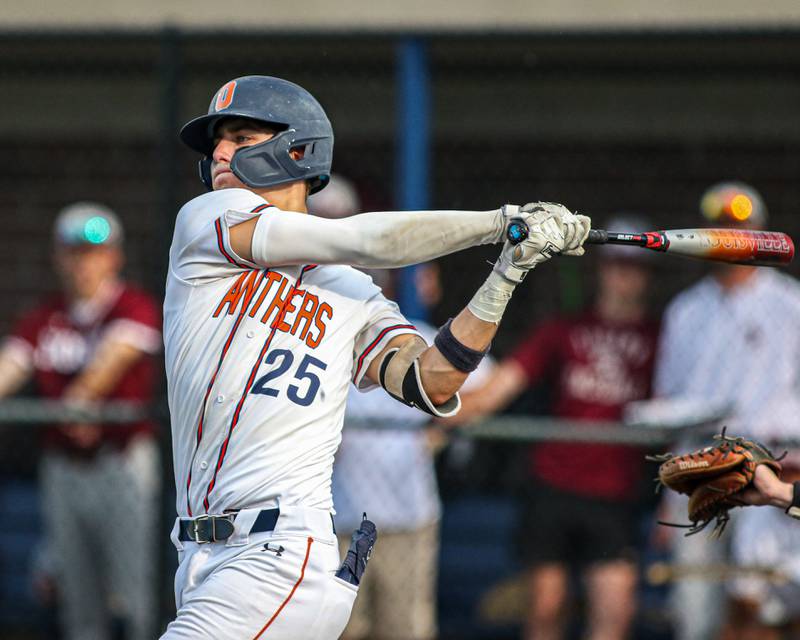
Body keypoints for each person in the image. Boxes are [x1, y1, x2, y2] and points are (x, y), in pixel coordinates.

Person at [160, 75, 591, 640]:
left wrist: (507, 271)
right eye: (217, 141)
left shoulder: (354, 295)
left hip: (278, 554)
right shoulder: (205, 225)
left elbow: (433, 381)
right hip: (199, 557)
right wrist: (498, 224)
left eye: (240, 137)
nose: (218, 152)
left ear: (297, 150)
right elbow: (361, 240)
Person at [450, 216, 660, 640]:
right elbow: (499, 389)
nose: (624, 275)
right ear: (601, 269)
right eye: (616, 264)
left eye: (634, 266)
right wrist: (433, 414)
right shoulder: (564, 329)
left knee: (614, 611)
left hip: (615, 492)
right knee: (546, 607)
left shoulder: (662, 336)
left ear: (648, 275)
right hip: (554, 485)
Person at [311, 175, 493, 640]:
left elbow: (489, 382)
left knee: (404, 630)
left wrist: (441, 425)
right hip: (331, 519)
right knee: (338, 630)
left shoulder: (403, 327)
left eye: (340, 224)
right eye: (322, 223)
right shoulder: (306, 329)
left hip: (406, 515)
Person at [0, 202, 162, 640]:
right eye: (73, 252)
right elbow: (9, 366)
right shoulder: (45, 319)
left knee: (135, 593)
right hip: (64, 469)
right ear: (58, 256)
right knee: (78, 601)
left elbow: (108, 366)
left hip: (122, 464)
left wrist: (78, 402)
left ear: (115, 256)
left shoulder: (133, 307)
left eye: (94, 251)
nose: (83, 263)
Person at [652, 181, 800, 640]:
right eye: (720, 229)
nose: (729, 238)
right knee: (696, 614)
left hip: (775, 467)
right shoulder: (685, 310)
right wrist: (665, 492)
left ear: (758, 232)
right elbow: (669, 403)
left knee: (765, 604)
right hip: (702, 472)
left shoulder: (791, 303)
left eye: (739, 229)